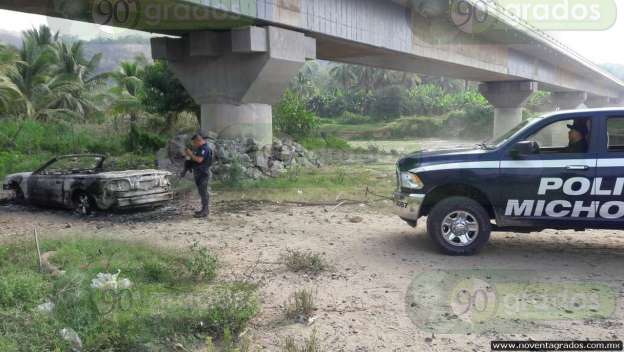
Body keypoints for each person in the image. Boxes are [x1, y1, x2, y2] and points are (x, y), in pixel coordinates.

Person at [185, 134, 213, 218]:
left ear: (198, 140)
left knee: (204, 192)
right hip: (199, 173)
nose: (194, 144)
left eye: (194, 143)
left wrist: (190, 154)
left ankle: (205, 211)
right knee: (202, 192)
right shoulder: (200, 149)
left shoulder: (205, 149)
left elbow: (199, 160)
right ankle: (203, 209)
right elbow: (195, 160)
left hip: (203, 173)